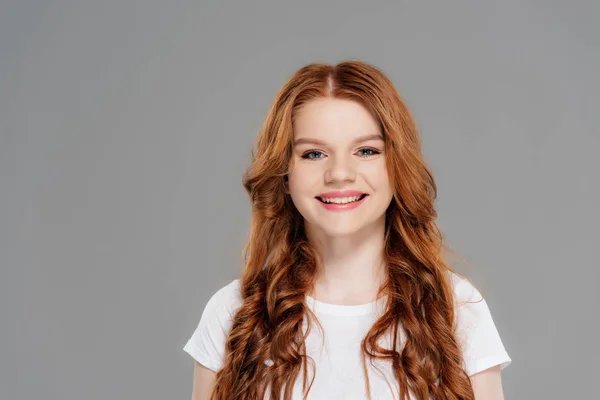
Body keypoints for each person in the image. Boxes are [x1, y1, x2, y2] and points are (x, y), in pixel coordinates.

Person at [183, 60, 512, 399]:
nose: (340, 173)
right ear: (284, 173)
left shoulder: (457, 309)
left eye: (366, 150)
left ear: (397, 165)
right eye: (313, 153)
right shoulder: (233, 313)